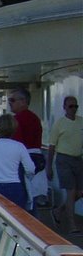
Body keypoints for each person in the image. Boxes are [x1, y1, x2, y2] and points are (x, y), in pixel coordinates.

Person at [46, 95, 83, 233]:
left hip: (78, 159)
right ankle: (72, 224)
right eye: (70, 106)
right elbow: (51, 146)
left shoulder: (81, 122)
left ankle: (59, 210)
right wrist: (49, 167)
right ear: (64, 108)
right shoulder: (59, 124)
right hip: (63, 159)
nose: (73, 109)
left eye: (76, 106)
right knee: (71, 191)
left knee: (80, 192)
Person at [0, 113, 35, 209]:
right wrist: (28, 178)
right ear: (14, 128)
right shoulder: (19, 146)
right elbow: (31, 169)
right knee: (16, 219)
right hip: (14, 187)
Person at [9, 87, 47, 209]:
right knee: (34, 198)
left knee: (25, 198)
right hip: (37, 158)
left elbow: (16, 143)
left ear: (23, 101)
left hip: (25, 160)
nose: (10, 103)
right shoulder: (35, 118)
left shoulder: (18, 119)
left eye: (12, 100)